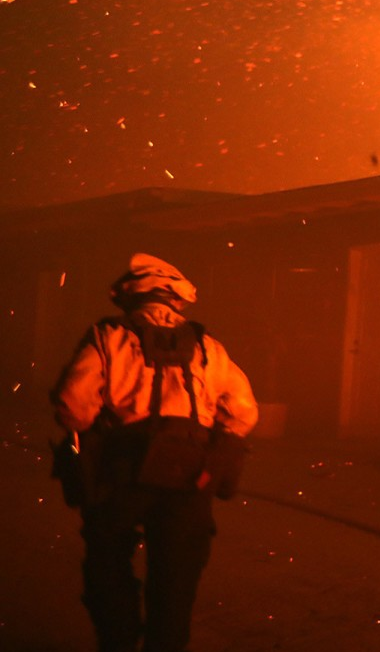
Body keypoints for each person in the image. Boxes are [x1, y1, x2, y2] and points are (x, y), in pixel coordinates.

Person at [51, 253, 258, 652]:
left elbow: (73, 406)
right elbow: (245, 412)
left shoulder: (108, 335)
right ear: (177, 300)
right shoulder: (208, 346)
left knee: (107, 561)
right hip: (190, 476)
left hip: (122, 473)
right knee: (177, 578)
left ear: (130, 298)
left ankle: (120, 640)